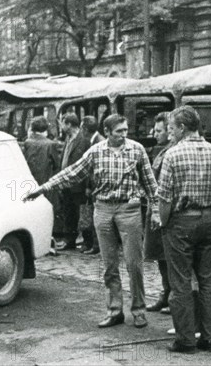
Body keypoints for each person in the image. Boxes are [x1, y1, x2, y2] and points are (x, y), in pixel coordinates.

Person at [23, 114, 157, 329]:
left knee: (134, 264)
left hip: (129, 210)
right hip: (102, 209)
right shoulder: (96, 152)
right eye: (119, 131)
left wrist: (156, 210)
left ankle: (139, 310)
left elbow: (150, 184)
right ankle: (114, 311)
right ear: (108, 131)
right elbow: (72, 173)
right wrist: (44, 188)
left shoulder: (137, 150)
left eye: (125, 130)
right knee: (109, 265)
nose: (124, 135)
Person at [157, 106, 211, 353]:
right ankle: (209, 337)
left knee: (180, 280)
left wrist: (163, 222)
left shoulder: (173, 155)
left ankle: (186, 339)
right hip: (209, 219)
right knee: (207, 279)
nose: (171, 132)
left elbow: (165, 198)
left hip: (181, 221)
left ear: (181, 128)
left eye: (171, 128)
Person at [144, 112, 173, 313]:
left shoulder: (172, 152)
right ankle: (166, 293)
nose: (155, 134)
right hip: (154, 210)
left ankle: (173, 297)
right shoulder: (161, 151)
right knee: (161, 257)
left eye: (159, 130)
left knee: (169, 257)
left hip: (164, 211)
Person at [56, 113, 91, 250]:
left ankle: (87, 242)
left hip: (79, 185)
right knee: (68, 212)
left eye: (63, 123)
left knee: (82, 213)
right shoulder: (68, 139)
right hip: (66, 183)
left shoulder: (84, 141)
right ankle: (69, 240)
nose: (62, 126)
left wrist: (88, 186)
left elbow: (88, 165)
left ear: (69, 124)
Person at [78, 116, 103, 255]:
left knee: (96, 215)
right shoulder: (94, 140)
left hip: (96, 185)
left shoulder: (98, 142)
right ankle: (93, 244)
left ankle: (96, 245)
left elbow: (92, 167)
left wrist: (89, 186)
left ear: (85, 129)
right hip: (94, 184)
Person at [23, 116, 60, 185]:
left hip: (30, 182)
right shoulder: (50, 144)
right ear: (45, 129)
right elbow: (56, 165)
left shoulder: (27, 142)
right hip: (46, 183)